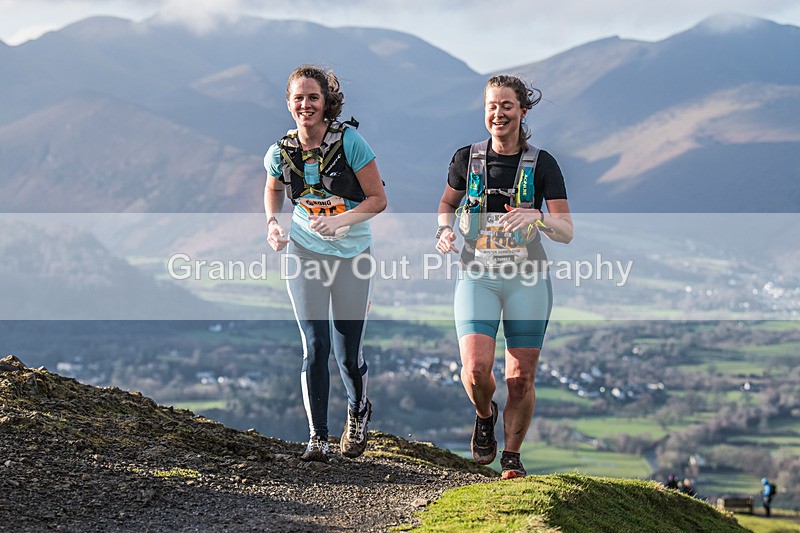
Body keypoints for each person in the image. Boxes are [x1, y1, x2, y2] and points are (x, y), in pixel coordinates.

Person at [435, 75, 573, 479]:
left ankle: (511, 456)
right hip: (477, 274)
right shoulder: (467, 159)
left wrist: (539, 218)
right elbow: (446, 204)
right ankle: (484, 414)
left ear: (522, 111)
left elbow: (566, 231)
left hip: (527, 278)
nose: (498, 113)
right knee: (476, 370)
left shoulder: (543, 164)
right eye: (492, 106)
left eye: (507, 106)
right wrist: (443, 230)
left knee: (520, 378)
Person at [264, 65, 387, 463]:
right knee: (315, 346)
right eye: (298, 98)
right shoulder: (280, 151)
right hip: (304, 252)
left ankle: (358, 409)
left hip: (352, 256)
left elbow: (378, 199)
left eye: (313, 97)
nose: (306, 105)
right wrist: (273, 223)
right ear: (288, 103)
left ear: (326, 102)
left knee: (347, 355)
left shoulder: (350, 142)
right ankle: (318, 437)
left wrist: (341, 221)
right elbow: (273, 186)